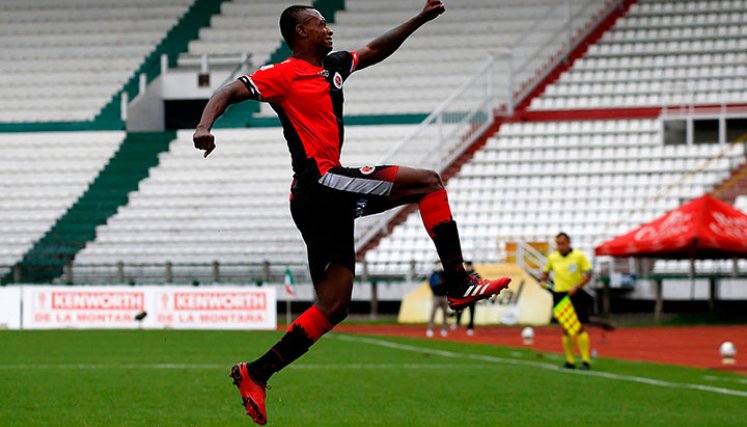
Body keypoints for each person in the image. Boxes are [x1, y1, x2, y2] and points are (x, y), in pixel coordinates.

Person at [193, 2, 511, 424]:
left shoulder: (335, 66)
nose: (329, 29)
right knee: (429, 182)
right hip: (320, 184)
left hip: (317, 199)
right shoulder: (282, 74)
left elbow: (377, 49)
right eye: (320, 23)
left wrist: (418, 19)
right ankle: (458, 282)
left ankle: (257, 372)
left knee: (334, 304)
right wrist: (204, 126)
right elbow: (228, 90)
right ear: (300, 33)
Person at [539, 232, 593, 370]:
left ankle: (585, 361)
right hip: (560, 294)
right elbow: (545, 272)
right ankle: (570, 361)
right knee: (565, 329)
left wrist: (577, 286)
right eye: (558, 244)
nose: (560, 246)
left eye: (562, 244)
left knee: (579, 327)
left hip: (576, 294)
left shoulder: (579, 256)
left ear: (569, 243)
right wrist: (543, 280)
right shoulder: (553, 257)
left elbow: (588, 274)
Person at [453, 260, 476, 335]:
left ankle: (470, 327)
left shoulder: (475, 274)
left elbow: (479, 285)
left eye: (468, 265)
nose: (467, 267)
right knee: (459, 310)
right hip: (463, 296)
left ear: (471, 266)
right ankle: (457, 323)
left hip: (472, 297)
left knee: (471, 313)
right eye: (466, 265)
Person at [426, 265, 449, 338]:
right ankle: (430, 328)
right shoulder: (434, 275)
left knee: (445, 313)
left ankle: (444, 329)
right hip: (436, 296)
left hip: (444, 296)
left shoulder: (445, 274)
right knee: (433, 313)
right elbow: (431, 284)